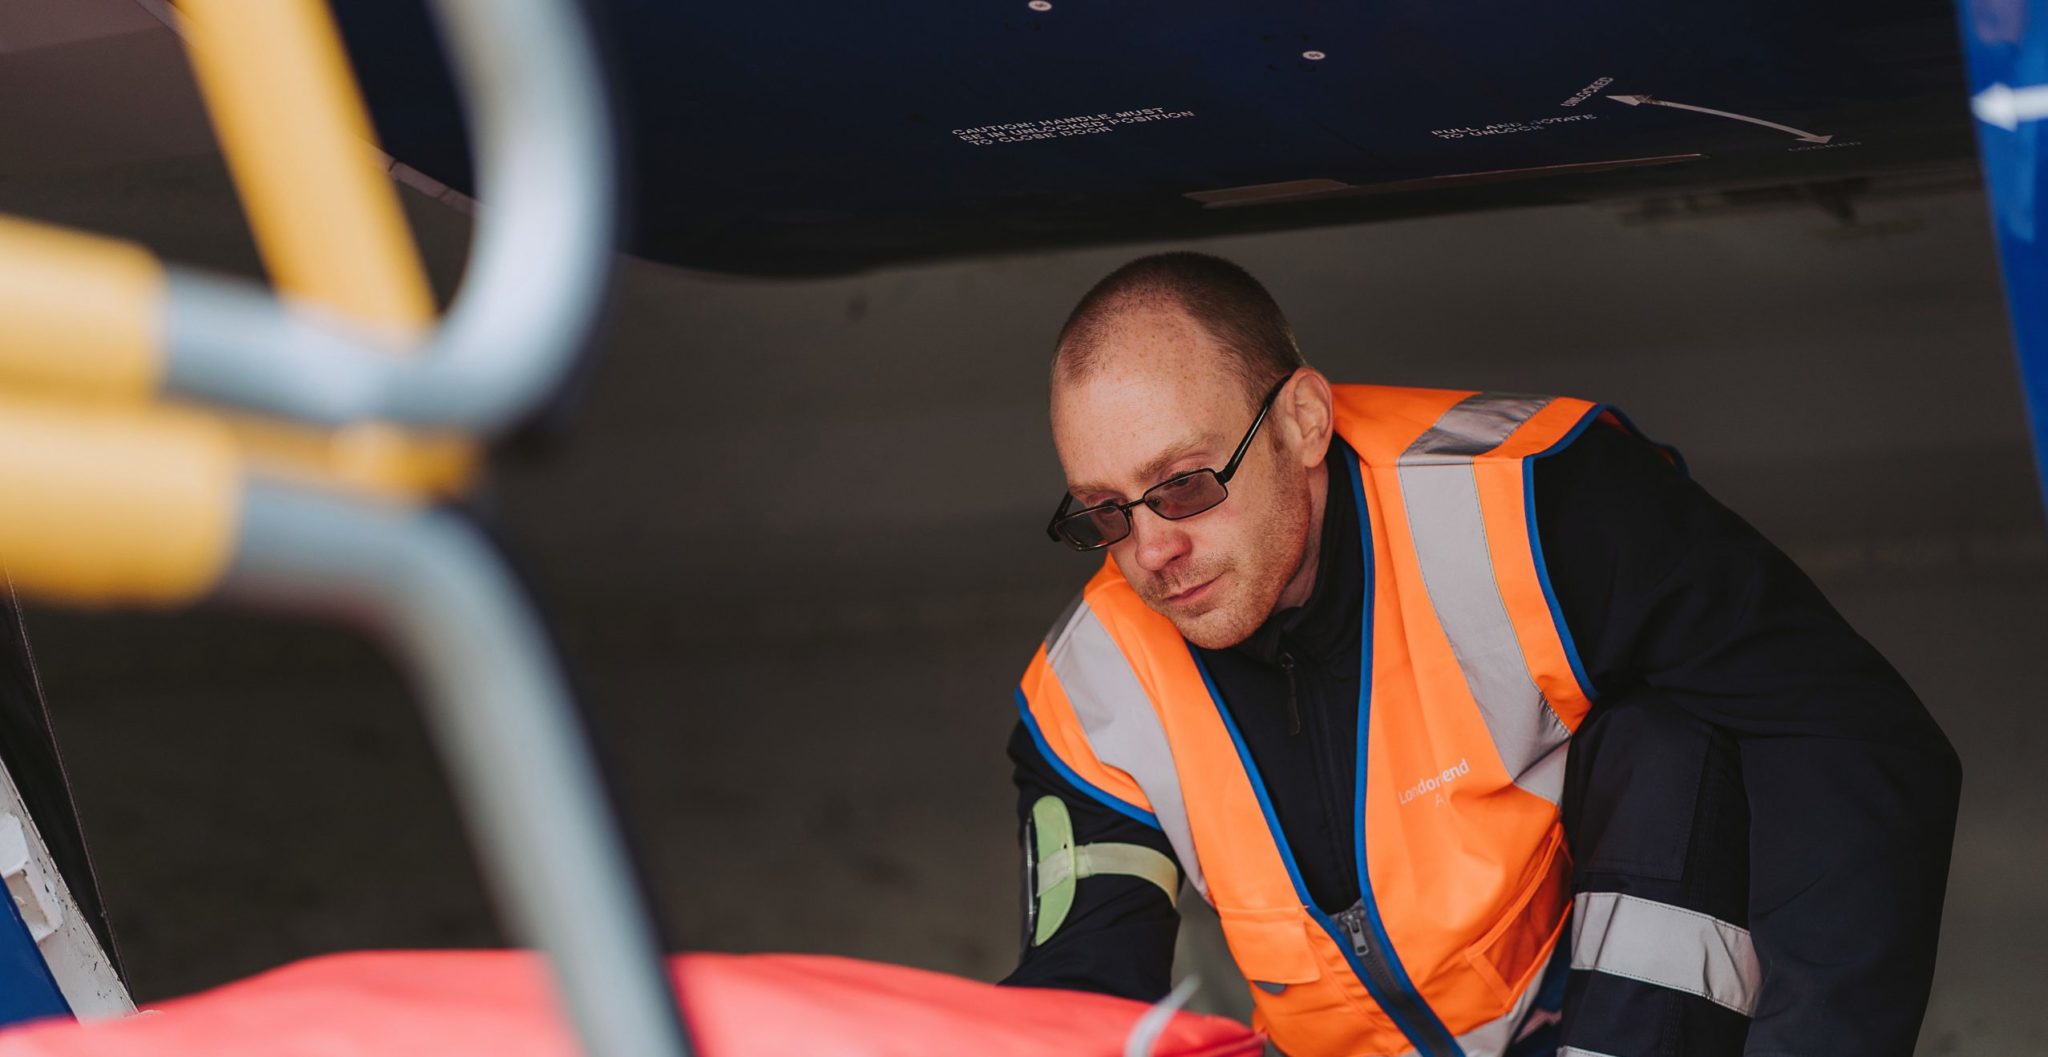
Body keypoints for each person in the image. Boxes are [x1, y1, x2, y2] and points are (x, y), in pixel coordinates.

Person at [1000, 252, 1960, 1057]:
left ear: (1302, 420)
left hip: (1606, 1015)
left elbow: (1848, 734)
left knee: (1671, 730)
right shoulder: (1091, 698)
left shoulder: (1537, 504)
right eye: (1103, 512)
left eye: (1183, 484)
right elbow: (1077, 1000)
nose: (1152, 549)